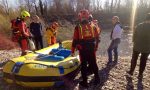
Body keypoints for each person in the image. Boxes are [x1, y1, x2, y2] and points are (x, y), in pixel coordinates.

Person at [71, 9, 100, 87]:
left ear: (80, 17)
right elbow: (97, 38)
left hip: (82, 50)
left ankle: (85, 82)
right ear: (88, 16)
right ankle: (97, 79)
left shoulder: (78, 27)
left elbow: (74, 40)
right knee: (93, 63)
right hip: (91, 49)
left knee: (83, 65)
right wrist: (96, 47)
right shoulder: (93, 25)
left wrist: (72, 51)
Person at [127, 13, 150, 79]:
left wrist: (134, 42)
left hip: (137, 46)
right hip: (147, 48)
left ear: (145, 18)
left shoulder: (139, 25)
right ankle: (140, 74)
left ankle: (131, 71)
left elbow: (134, 36)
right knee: (143, 61)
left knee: (134, 59)